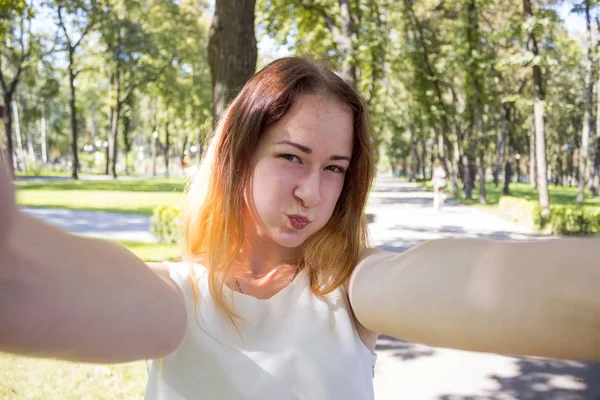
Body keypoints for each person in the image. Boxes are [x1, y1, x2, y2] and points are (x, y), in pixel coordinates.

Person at [1, 58, 599, 400]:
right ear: (239, 155)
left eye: (334, 168)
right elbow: (25, 284)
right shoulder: (176, 298)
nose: (312, 192)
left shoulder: (353, 292)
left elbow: (507, 289)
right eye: (291, 156)